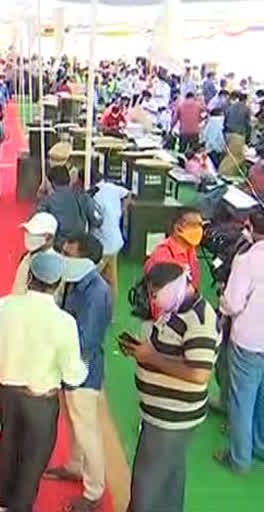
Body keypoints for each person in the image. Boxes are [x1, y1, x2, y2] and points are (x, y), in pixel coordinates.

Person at [0, 252, 88, 512]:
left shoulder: (2, 307)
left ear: (29, 277)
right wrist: (84, 368)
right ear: (59, 283)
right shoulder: (64, 322)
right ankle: (21, 506)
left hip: (5, 392)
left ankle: (2, 503)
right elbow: (72, 374)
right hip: (40, 401)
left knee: (8, 446)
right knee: (33, 459)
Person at [121, 262, 221, 512]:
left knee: (146, 484)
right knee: (169, 479)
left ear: (176, 286)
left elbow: (199, 373)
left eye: (156, 293)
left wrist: (151, 358)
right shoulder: (177, 309)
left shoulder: (200, 321)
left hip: (171, 420)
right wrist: (142, 352)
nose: (153, 299)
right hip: (163, 415)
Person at [44, 234, 112, 512]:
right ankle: (74, 466)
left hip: (82, 372)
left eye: (68, 253)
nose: (63, 257)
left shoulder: (97, 292)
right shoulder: (75, 283)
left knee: (87, 431)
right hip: (69, 369)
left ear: (84, 259)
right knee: (74, 422)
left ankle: (94, 491)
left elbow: (87, 341)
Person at [217, 210, 264, 472]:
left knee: (242, 399)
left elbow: (233, 303)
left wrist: (223, 298)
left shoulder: (247, 261)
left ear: (251, 227)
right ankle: (259, 445)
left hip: (248, 339)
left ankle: (239, 458)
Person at [90, 171, 132, 297]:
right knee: (111, 280)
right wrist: (123, 209)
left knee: (89, 279)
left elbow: (95, 221)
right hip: (115, 241)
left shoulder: (94, 196)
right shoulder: (112, 187)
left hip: (104, 244)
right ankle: (111, 312)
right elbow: (128, 193)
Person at [37, 165, 100, 245]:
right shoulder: (83, 196)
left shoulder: (47, 201)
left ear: (51, 182)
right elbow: (97, 220)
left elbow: (37, 223)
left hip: (59, 247)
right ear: (69, 179)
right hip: (79, 246)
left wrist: (40, 194)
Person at [144, 207, 203, 291]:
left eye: (200, 225)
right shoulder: (162, 256)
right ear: (178, 228)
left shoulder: (191, 250)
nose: (199, 229)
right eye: (194, 225)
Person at [12, 213, 58, 295]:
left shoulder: (54, 266)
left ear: (49, 238)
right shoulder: (27, 256)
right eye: (27, 231)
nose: (28, 236)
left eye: (35, 234)